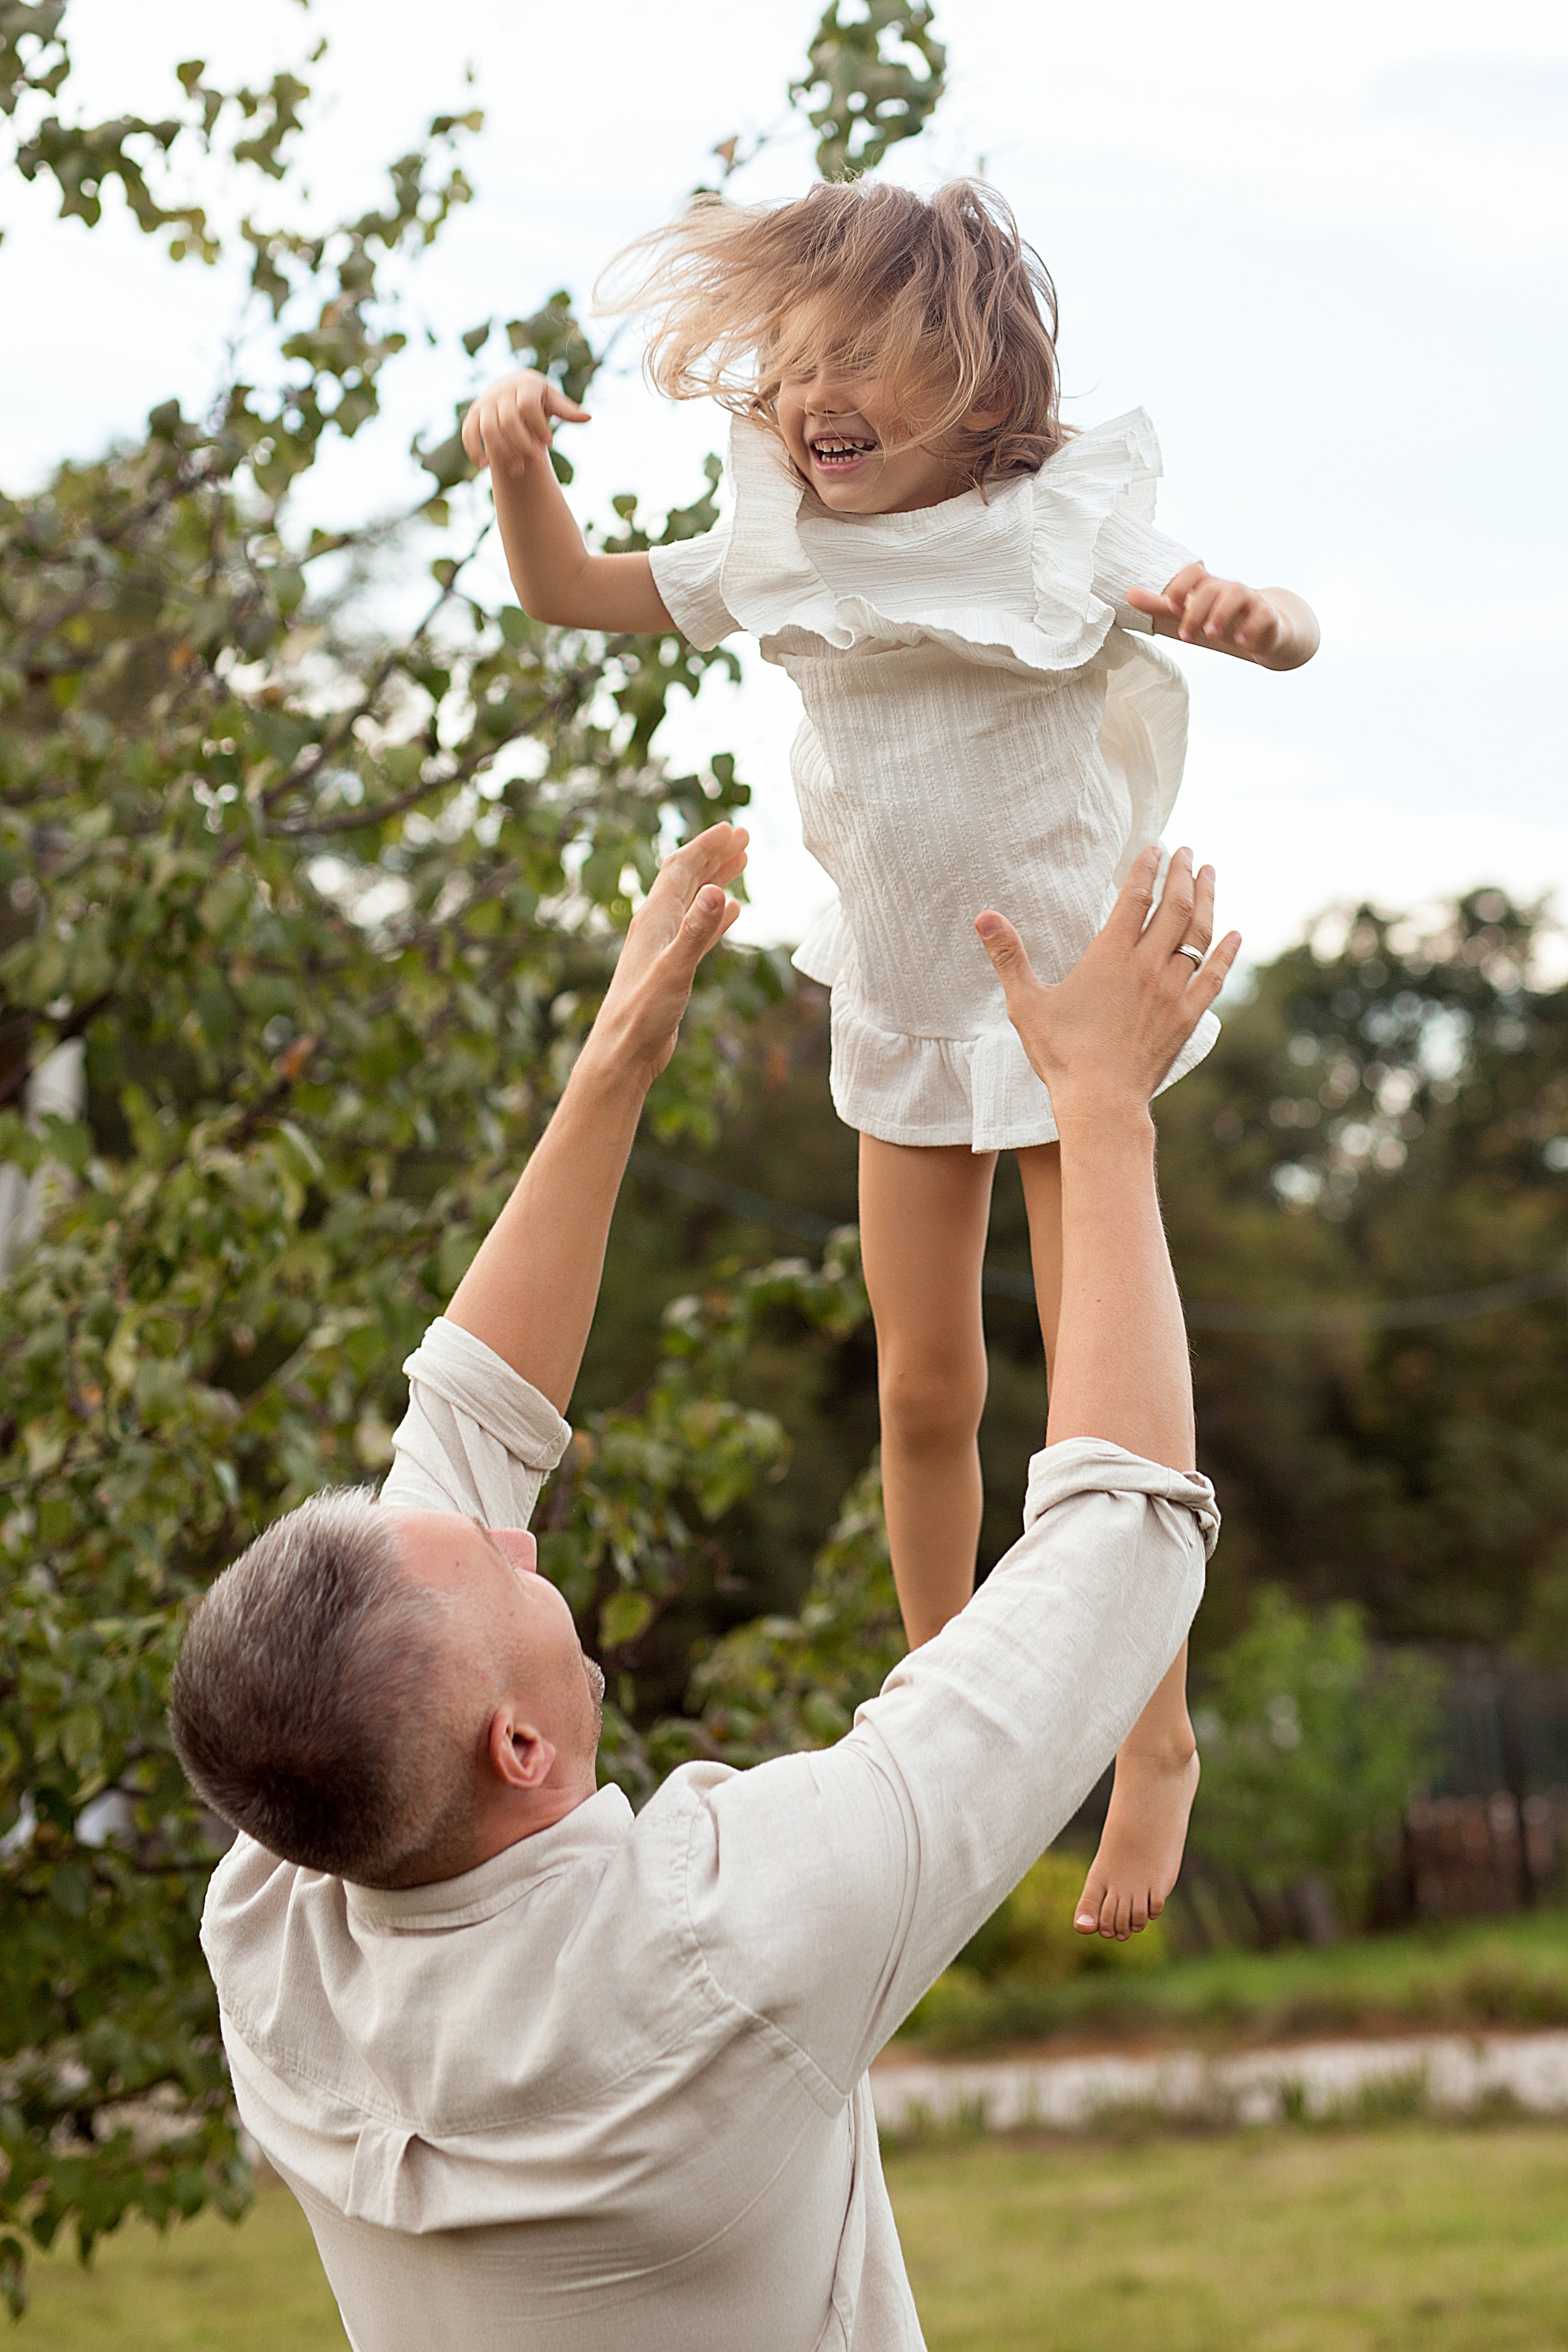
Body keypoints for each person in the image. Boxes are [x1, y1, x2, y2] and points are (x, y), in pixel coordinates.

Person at [172, 818, 1234, 2352]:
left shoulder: (282, 1902)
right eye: (495, 1567)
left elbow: (462, 1430)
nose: (516, 1535)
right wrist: (1104, 1111)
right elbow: (1121, 1541)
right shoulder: (730, 1944)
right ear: (518, 1751)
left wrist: (615, 1062)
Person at [461, 176, 1316, 1940]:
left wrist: (1255, 621)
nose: (814, 397)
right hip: (908, 1006)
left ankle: (1152, 1737)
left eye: (868, 364)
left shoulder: (1059, 526)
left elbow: (1268, 615)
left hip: (1079, 1019)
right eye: (793, 364)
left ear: (985, 397)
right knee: (924, 1391)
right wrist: (517, 468)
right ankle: (959, 1730)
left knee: (1106, 1410)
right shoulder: (780, 541)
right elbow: (569, 597)